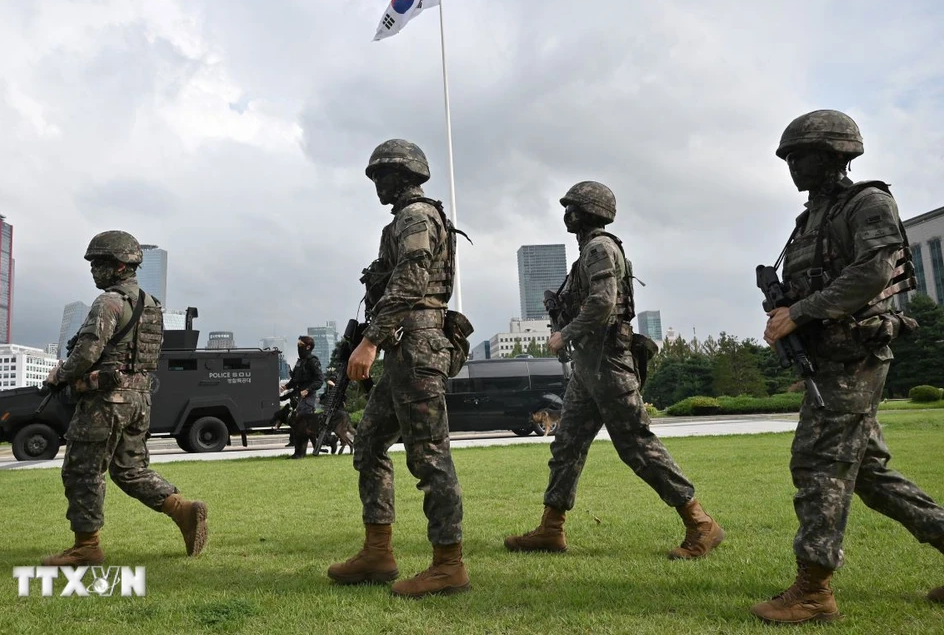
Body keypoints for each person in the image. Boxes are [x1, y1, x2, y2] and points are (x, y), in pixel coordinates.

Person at [752, 110, 944, 623]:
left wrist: (801, 312)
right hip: (827, 358)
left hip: (854, 355)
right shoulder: (808, 220)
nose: (791, 165)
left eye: (801, 155)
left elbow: (874, 271)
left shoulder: (868, 203)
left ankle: (814, 591)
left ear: (835, 155)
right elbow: (811, 287)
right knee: (869, 474)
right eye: (788, 157)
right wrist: (786, 313)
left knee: (818, 463)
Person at [503, 181, 725, 562]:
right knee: (567, 445)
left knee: (636, 445)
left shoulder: (599, 248)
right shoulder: (587, 253)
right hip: (589, 367)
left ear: (587, 211)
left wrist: (565, 334)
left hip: (609, 362)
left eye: (571, 207)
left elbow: (604, 303)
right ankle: (551, 529)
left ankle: (701, 523)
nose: (566, 214)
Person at [327, 138, 470, 598]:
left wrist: (369, 342)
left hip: (419, 346)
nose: (376, 186)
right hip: (403, 349)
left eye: (381, 177)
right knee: (368, 445)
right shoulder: (402, 221)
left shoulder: (416, 216)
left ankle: (448, 564)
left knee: (429, 457)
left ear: (403, 175)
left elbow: (410, 278)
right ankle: (378, 552)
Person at [42, 230, 207, 566]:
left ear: (118, 266)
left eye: (98, 263)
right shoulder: (150, 305)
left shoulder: (109, 302)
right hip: (139, 398)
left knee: (82, 470)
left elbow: (87, 353)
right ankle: (183, 510)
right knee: (130, 469)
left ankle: (86, 547)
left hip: (105, 401)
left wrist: (58, 376)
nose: (92, 270)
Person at [283, 336, 324, 458]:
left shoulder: (312, 360)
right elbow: (295, 379)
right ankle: (298, 452)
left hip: (308, 397)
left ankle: (301, 453)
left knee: (302, 425)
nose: (298, 347)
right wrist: (286, 386)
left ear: (308, 347)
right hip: (298, 395)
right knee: (297, 424)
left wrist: (308, 390)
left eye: (301, 345)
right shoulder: (300, 361)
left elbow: (319, 380)